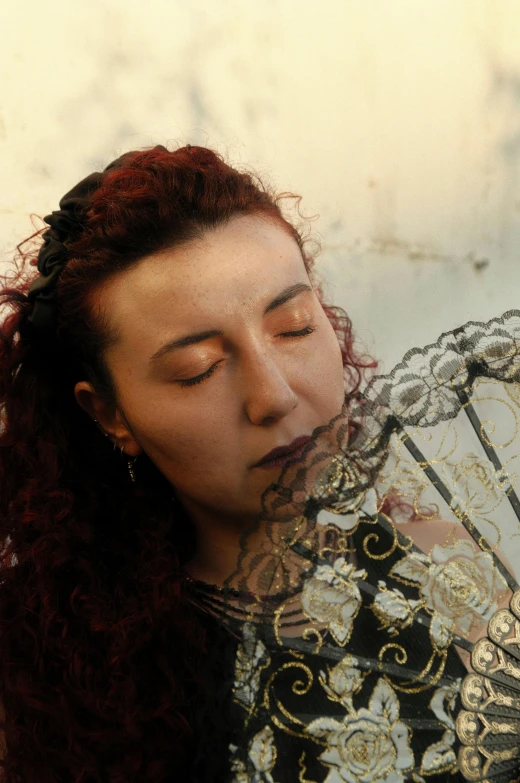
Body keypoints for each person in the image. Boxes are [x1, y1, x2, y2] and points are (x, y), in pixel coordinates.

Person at [0, 144, 375, 781]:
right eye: (197, 370)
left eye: (293, 326)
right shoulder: (37, 672)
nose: (274, 395)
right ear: (110, 415)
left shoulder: (456, 568)